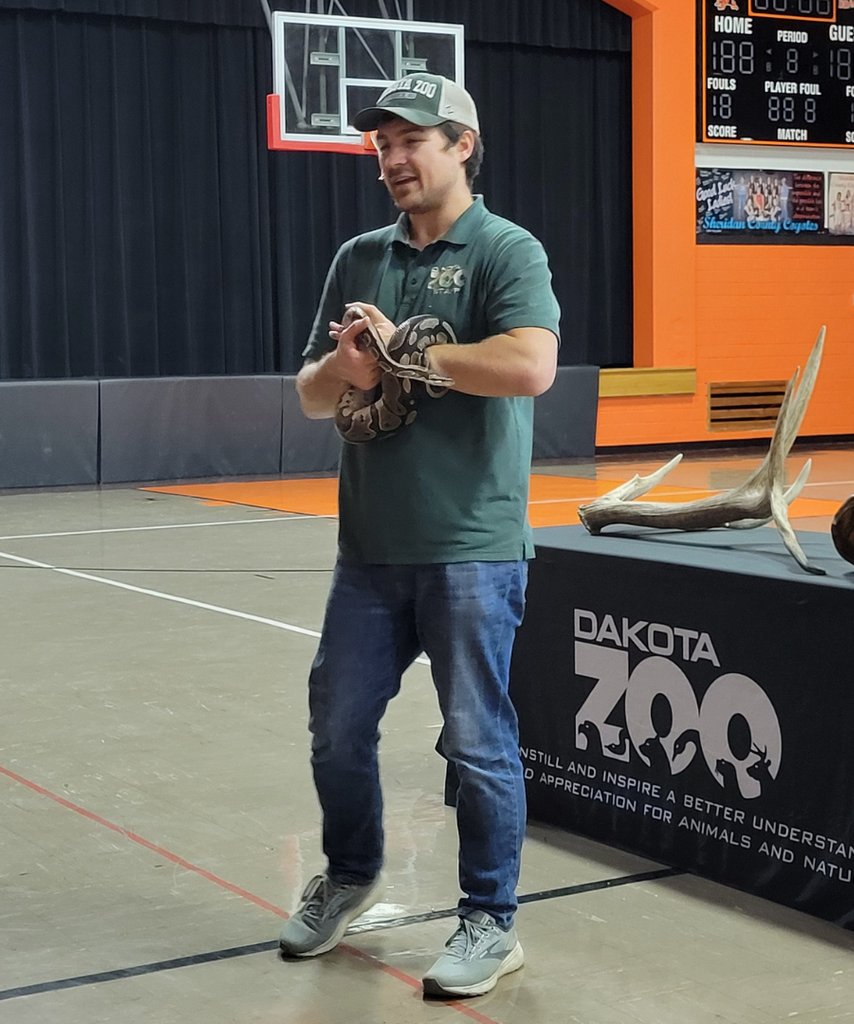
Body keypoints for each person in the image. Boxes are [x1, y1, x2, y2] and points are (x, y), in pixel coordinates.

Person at [278, 72, 561, 999]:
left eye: (413, 141)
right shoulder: (360, 255)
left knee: (478, 741)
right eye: (382, 145)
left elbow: (529, 365)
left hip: (471, 546)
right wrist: (348, 365)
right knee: (336, 729)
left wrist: (406, 352)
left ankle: (492, 921)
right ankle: (353, 872)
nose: (393, 160)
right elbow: (314, 395)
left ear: (462, 145)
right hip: (369, 550)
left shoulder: (505, 250)